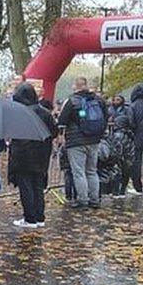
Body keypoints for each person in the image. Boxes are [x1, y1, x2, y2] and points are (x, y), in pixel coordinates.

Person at [8, 83, 58, 228]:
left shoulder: (18, 113)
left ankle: (29, 218)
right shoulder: (45, 113)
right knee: (38, 186)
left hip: (23, 155)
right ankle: (39, 217)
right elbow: (53, 132)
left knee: (26, 187)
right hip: (41, 155)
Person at [57, 77, 107, 209]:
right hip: (94, 140)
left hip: (76, 142)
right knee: (92, 171)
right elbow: (105, 119)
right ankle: (95, 199)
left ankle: (83, 200)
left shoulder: (72, 101)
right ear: (86, 85)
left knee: (79, 172)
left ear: (75, 86)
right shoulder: (98, 100)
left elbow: (62, 121)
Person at [106, 115, 136, 198]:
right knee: (126, 175)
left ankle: (116, 192)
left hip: (119, 159)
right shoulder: (130, 134)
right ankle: (122, 191)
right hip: (129, 158)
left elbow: (117, 150)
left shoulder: (117, 135)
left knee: (117, 174)